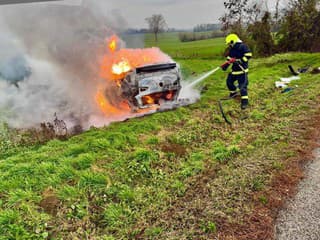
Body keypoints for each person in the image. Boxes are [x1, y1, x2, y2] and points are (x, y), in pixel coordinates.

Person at [221, 33, 252, 109]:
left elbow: (248, 55)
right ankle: (233, 93)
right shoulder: (232, 49)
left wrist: (240, 61)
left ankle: (245, 102)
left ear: (233, 41)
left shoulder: (242, 46)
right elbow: (229, 59)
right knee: (229, 82)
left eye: (229, 43)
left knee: (242, 86)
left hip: (242, 70)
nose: (229, 45)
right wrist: (225, 65)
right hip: (234, 71)